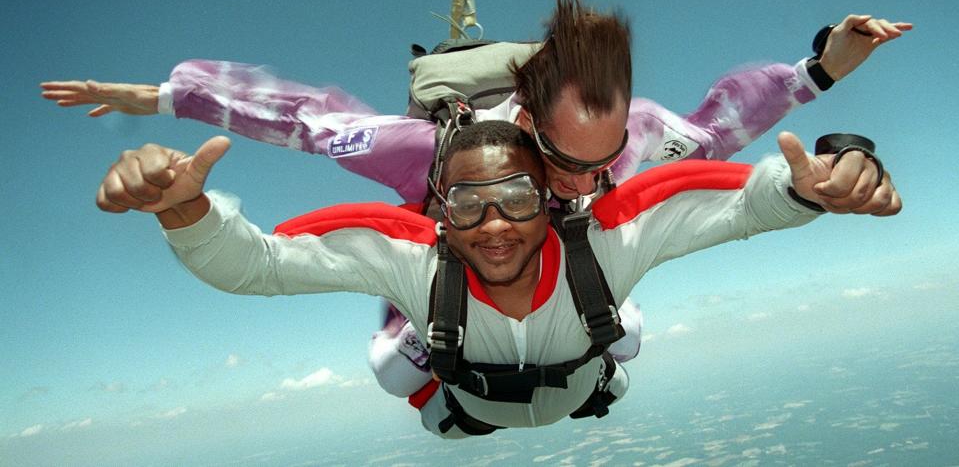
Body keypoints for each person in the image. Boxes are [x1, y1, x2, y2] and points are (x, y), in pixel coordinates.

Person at [43, 0, 911, 400]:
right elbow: (307, 118)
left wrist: (817, 71)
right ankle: (424, 346)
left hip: (571, 297)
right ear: (526, 122)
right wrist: (159, 98)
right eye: (562, 163)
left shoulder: (624, 141)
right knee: (394, 364)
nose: (583, 182)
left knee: (624, 324)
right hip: (443, 284)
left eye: (599, 163)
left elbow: (716, 134)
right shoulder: (423, 152)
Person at [93, 119, 898, 438]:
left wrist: (812, 185)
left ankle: (614, 333)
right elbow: (260, 267)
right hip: (464, 404)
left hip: (586, 376)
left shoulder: (605, 236)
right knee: (391, 371)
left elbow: (738, 203)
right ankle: (439, 381)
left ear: (549, 198)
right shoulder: (409, 252)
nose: (496, 224)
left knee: (616, 324)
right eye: (469, 205)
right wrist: (188, 213)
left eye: (516, 197)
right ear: (438, 212)